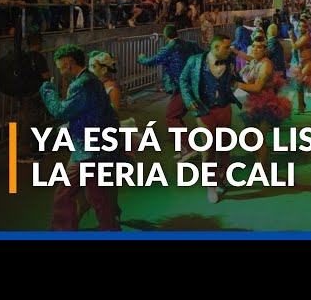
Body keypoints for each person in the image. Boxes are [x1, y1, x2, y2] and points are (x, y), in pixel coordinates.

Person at [39, 44, 120, 231]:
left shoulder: (80, 85)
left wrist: (48, 89)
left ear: (68, 62)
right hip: (99, 146)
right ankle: (110, 229)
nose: (58, 67)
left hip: (87, 150)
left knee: (64, 193)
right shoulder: (91, 80)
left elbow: (61, 111)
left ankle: (62, 231)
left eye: (59, 63)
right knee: (97, 195)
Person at [179, 35, 241, 204]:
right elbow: (183, 80)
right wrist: (189, 100)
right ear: (216, 48)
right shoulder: (194, 61)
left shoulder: (230, 60)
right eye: (227, 47)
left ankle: (223, 178)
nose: (230, 50)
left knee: (225, 146)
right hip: (203, 110)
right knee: (208, 149)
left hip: (224, 108)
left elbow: (234, 79)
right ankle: (210, 185)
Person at [138, 24, 203, 161]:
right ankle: (184, 148)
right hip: (192, 84)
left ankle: (189, 148)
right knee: (176, 116)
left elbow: (151, 61)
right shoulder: (191, 44)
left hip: (182, 87)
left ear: (166, 36)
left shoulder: (169, 48)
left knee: (171, 116)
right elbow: (202, 55)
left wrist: (141, 58)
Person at [233, 39, 292, 167]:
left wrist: (236, 84)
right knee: (247, 138)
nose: (255, 49)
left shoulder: (266, 64)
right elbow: (247, 58)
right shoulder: (255, 61)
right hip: (253, 103)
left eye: (259, 47)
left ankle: (264, 168)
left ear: (264, 50)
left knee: (259, 139)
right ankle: (260, 157)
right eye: (253, 46)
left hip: (267, 105)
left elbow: (257, 87)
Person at [17, 32, 50, 163]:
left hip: (24, 92)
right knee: (30, 121)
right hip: (34, 93)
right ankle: (23, 153)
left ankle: (36, 148)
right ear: (38, 43)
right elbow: (46, 76)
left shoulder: (23, 57)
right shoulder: (38, 57)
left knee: (34, 120)